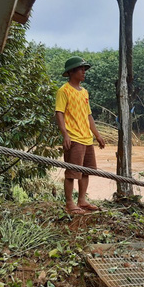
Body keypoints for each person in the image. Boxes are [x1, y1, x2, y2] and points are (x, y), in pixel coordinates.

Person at [55, 56, 106, 215]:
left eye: (84, 69)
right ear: (71, 72)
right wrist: (65, 135)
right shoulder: (63, 91)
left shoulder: (84, 92)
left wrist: (97, 135)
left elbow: (89, 115)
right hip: (74, 138)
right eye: (81, 69)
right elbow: (59, 113)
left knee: (87, 170)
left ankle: (82, 200)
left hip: (86, 138)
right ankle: (69, 203)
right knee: (71, 172)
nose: (84, 72)